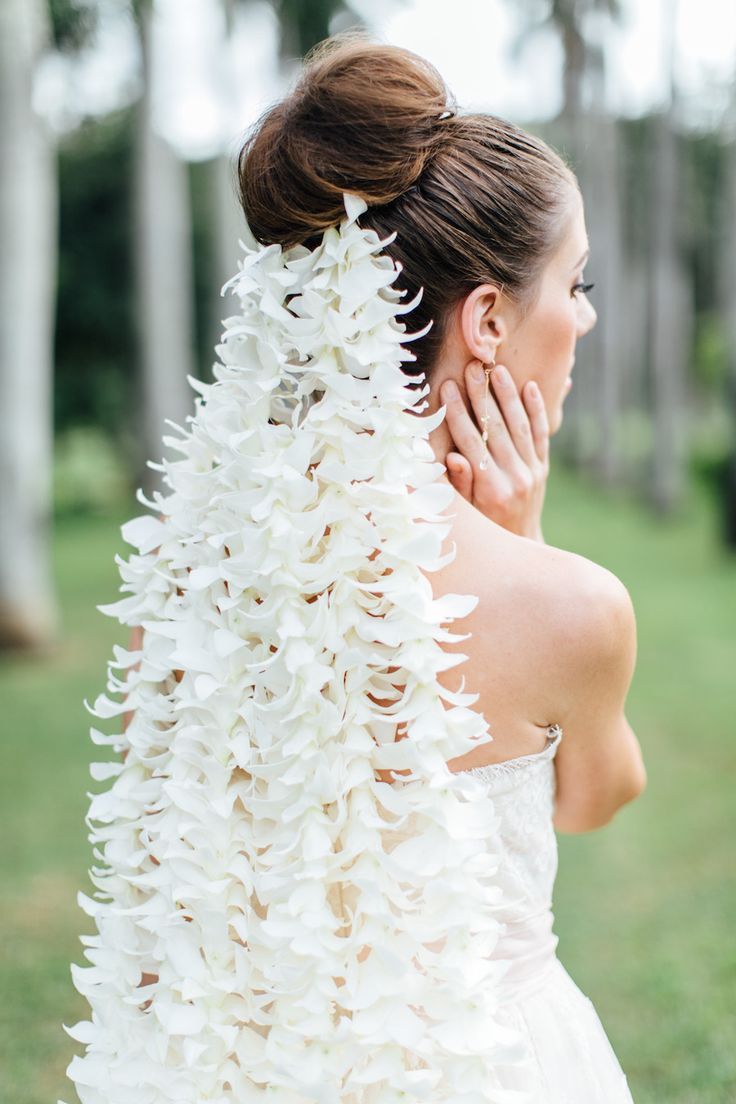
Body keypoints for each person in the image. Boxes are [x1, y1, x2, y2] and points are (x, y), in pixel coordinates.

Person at [65, 30, 646, 1104]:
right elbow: (592, 800)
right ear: (485, 321)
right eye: (577, 281)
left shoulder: (188, 578)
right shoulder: (568, 604)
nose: (587, 316)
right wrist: (518, 543)